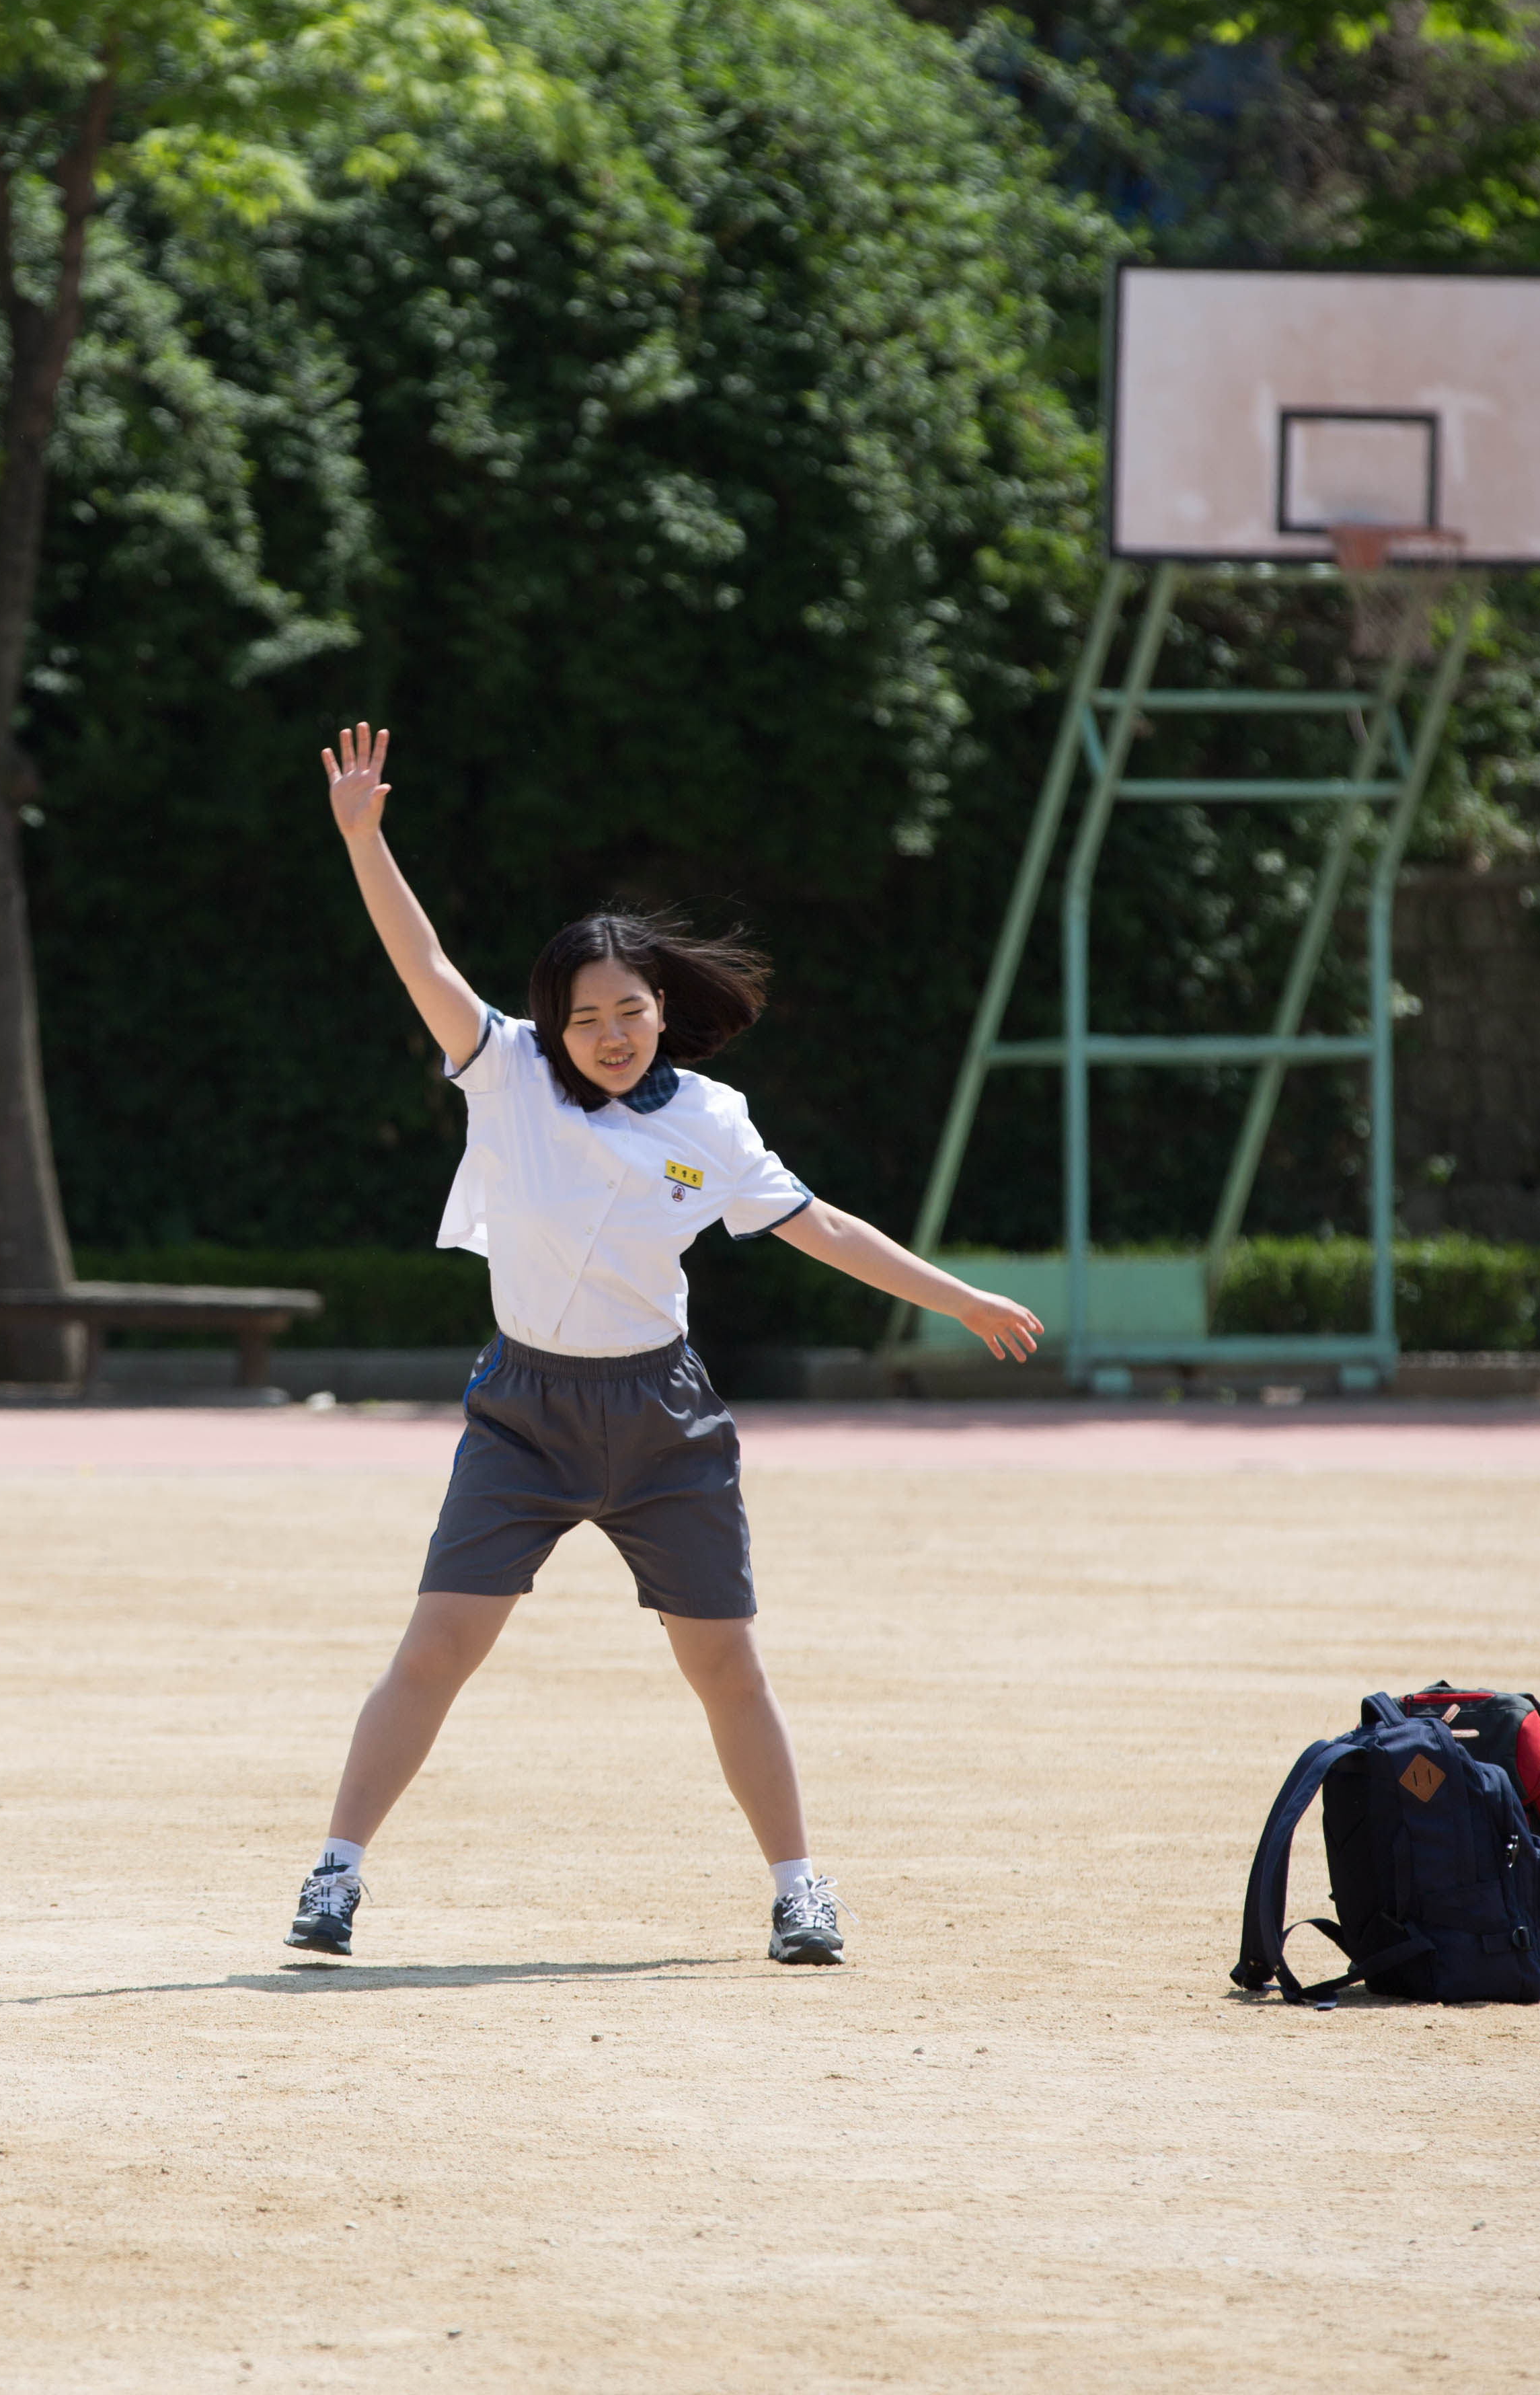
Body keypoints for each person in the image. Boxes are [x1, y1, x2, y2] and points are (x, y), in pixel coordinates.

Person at [290, 727, 1042, 1965]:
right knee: (435, 1650)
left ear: (661, 1012)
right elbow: (420, 961)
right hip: (522, 1414)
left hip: (662, 1420)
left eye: (630, 1010)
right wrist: (366, 840)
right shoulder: (506, 1071)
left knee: (727, 1669)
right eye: (586, 1016)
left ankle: (801, 1889)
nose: (610, 1032)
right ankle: (335, 1874)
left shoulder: (712, 1120)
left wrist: (955, 1298)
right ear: (554, 1022)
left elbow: (825, 1227)